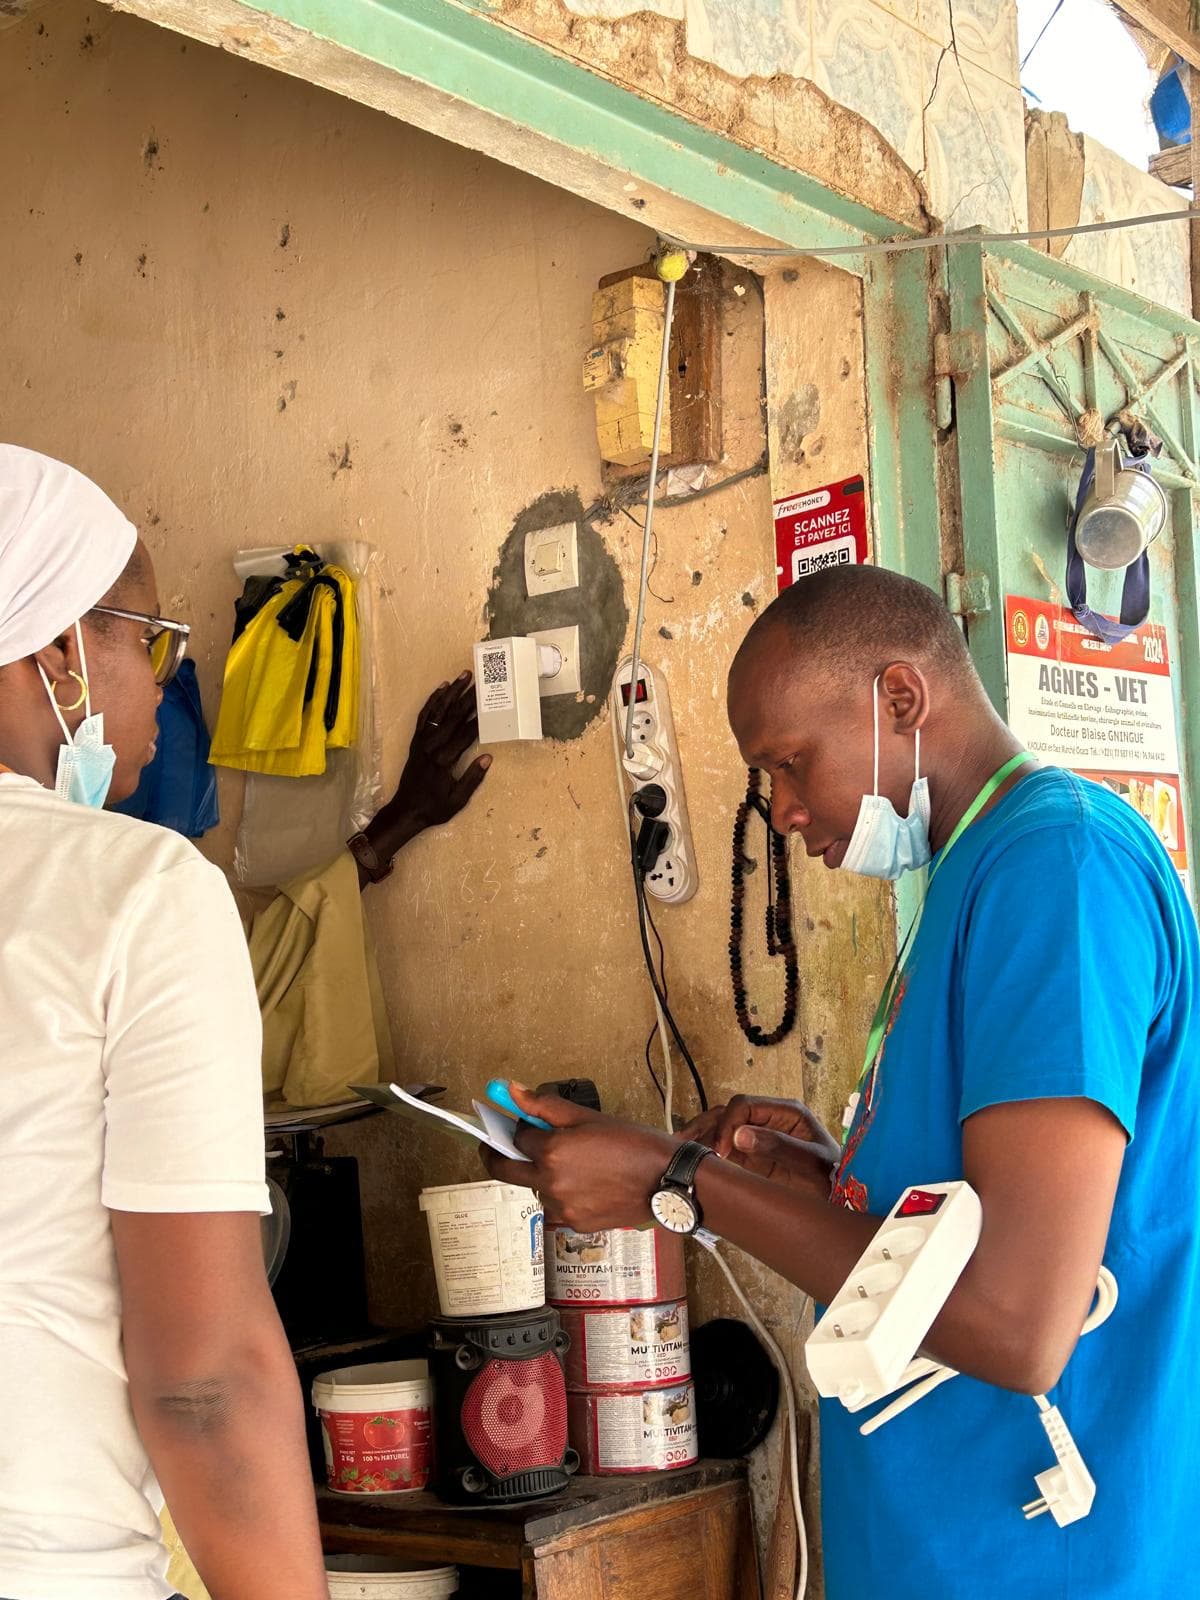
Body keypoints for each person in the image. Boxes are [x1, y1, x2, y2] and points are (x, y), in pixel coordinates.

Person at [484, 563, 1200, 1599]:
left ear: (900, 698)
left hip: (1044, 1559)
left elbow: (1017, 1323)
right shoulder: (976, 871)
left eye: (789, 762)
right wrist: (825, 1183)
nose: (780, 810)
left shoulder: (1059, 868)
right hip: (938, 1547)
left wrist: (676, 1182)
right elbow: (966, 1228)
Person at [0, 444, 328, 1600]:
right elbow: (202, 1383)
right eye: (148, 642)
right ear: (56, 651)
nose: (158, 689)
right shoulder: (135, 890)